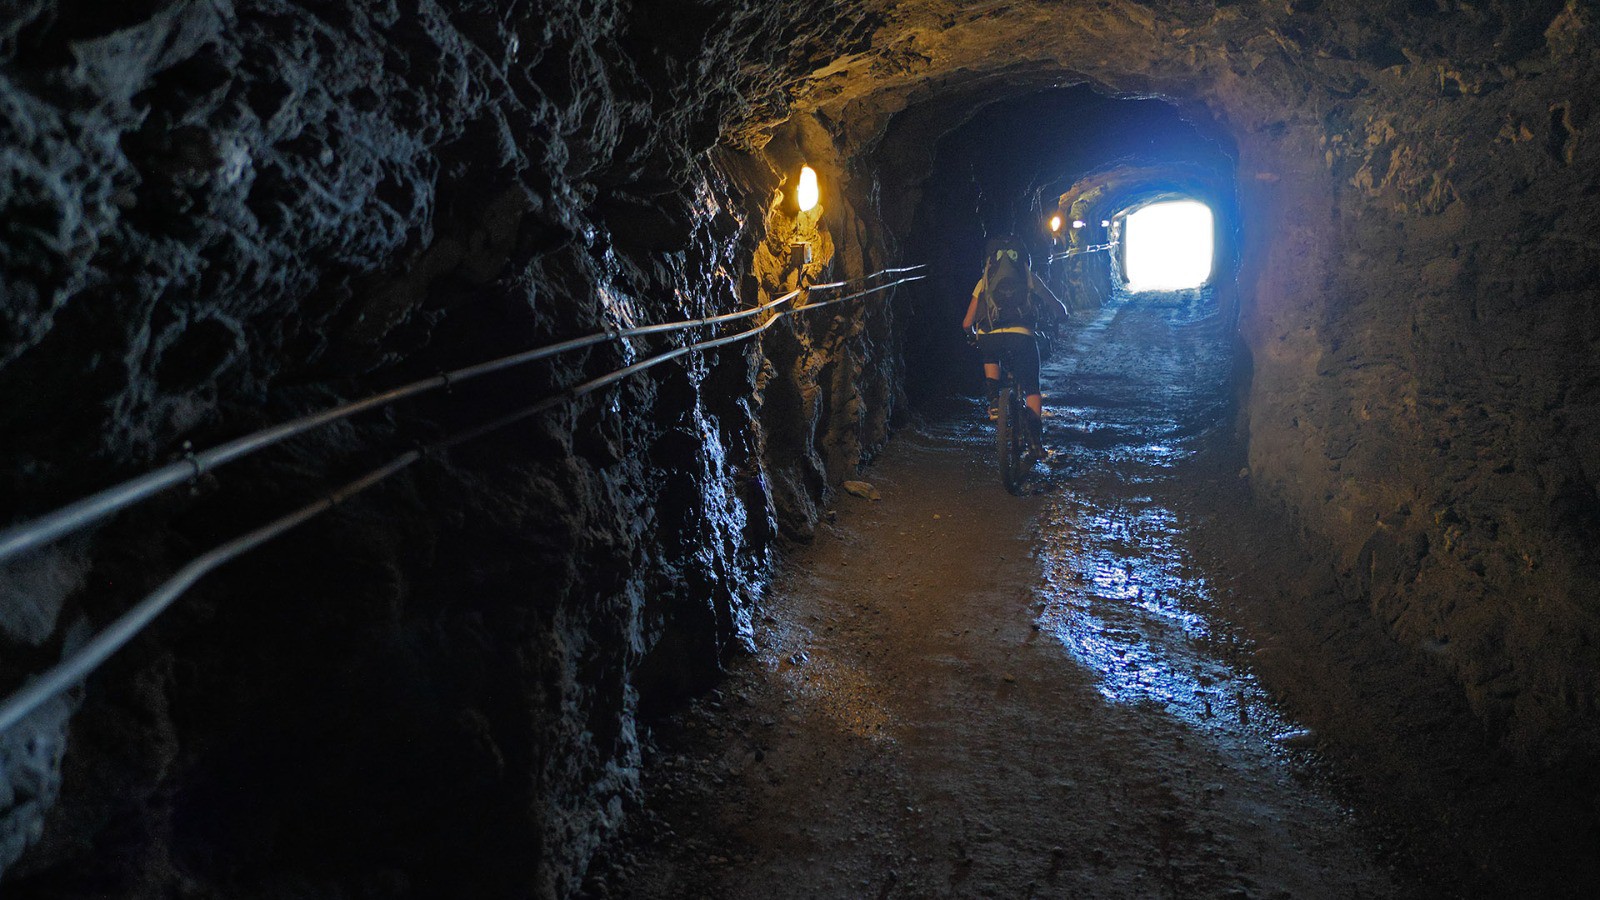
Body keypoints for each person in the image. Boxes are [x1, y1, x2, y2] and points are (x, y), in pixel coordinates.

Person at [961, 235, 1070, 460]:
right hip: (1021, 338)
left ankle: (994, 401)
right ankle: (1035, 440)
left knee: (989, 354)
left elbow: (966, 323)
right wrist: (1062, 315)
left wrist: (972, 335)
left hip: (988, 336)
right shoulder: (1029, 278)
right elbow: (1056, 306)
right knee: (1031, 387)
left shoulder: (984, 281)